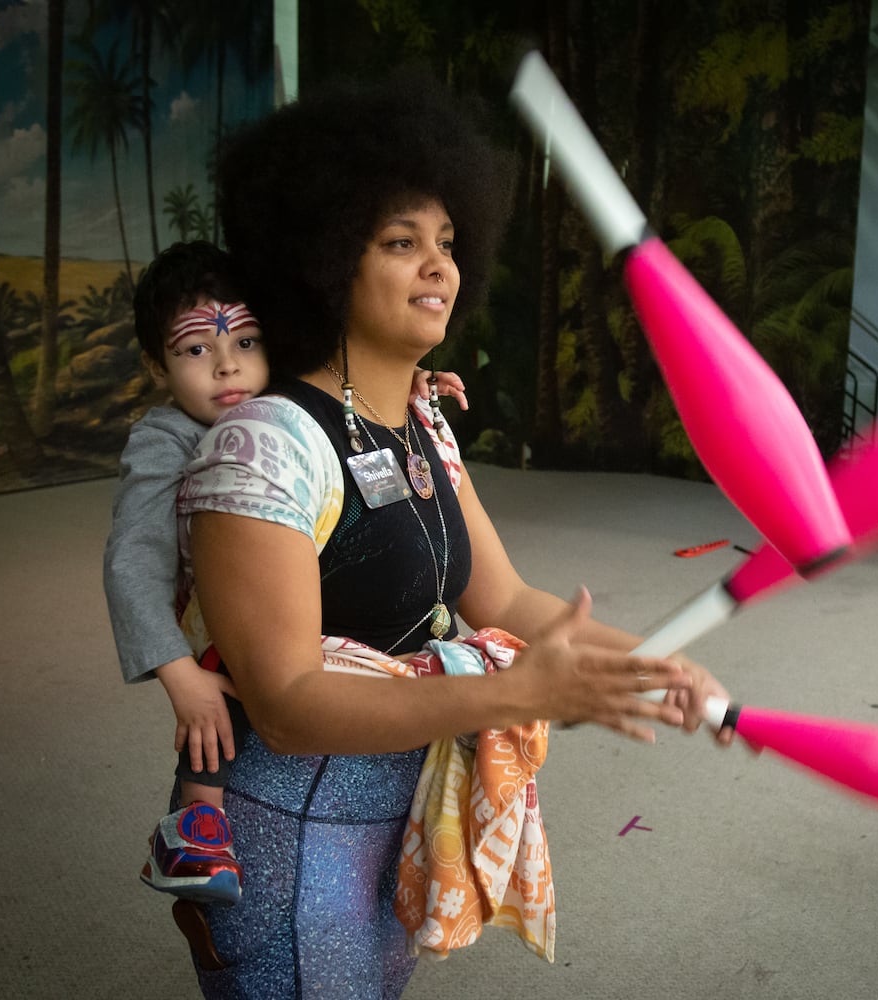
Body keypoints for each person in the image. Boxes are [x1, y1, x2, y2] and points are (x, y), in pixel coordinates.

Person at [172, 69, 730, 999]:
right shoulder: (261, 449)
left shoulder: (424, 426)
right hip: (288, 835)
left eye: (447, 241)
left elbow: (502, 598)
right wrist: (511, 690)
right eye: (401, 242)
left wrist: (650, 663)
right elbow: (288, 703)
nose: (440, 266)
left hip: (395, 825)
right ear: (323, 257)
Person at [103, 240, 470, 908]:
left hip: (277, 586)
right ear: (158, 365)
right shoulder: (164, 442)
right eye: (195, 351)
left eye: (245, 342)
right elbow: (132, 560)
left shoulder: (271, 403)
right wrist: (176, 674)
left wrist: (412, 386)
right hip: (211, 611)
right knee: (224, 704)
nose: (226, 366)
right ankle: (193, 825)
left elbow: (351, 385)